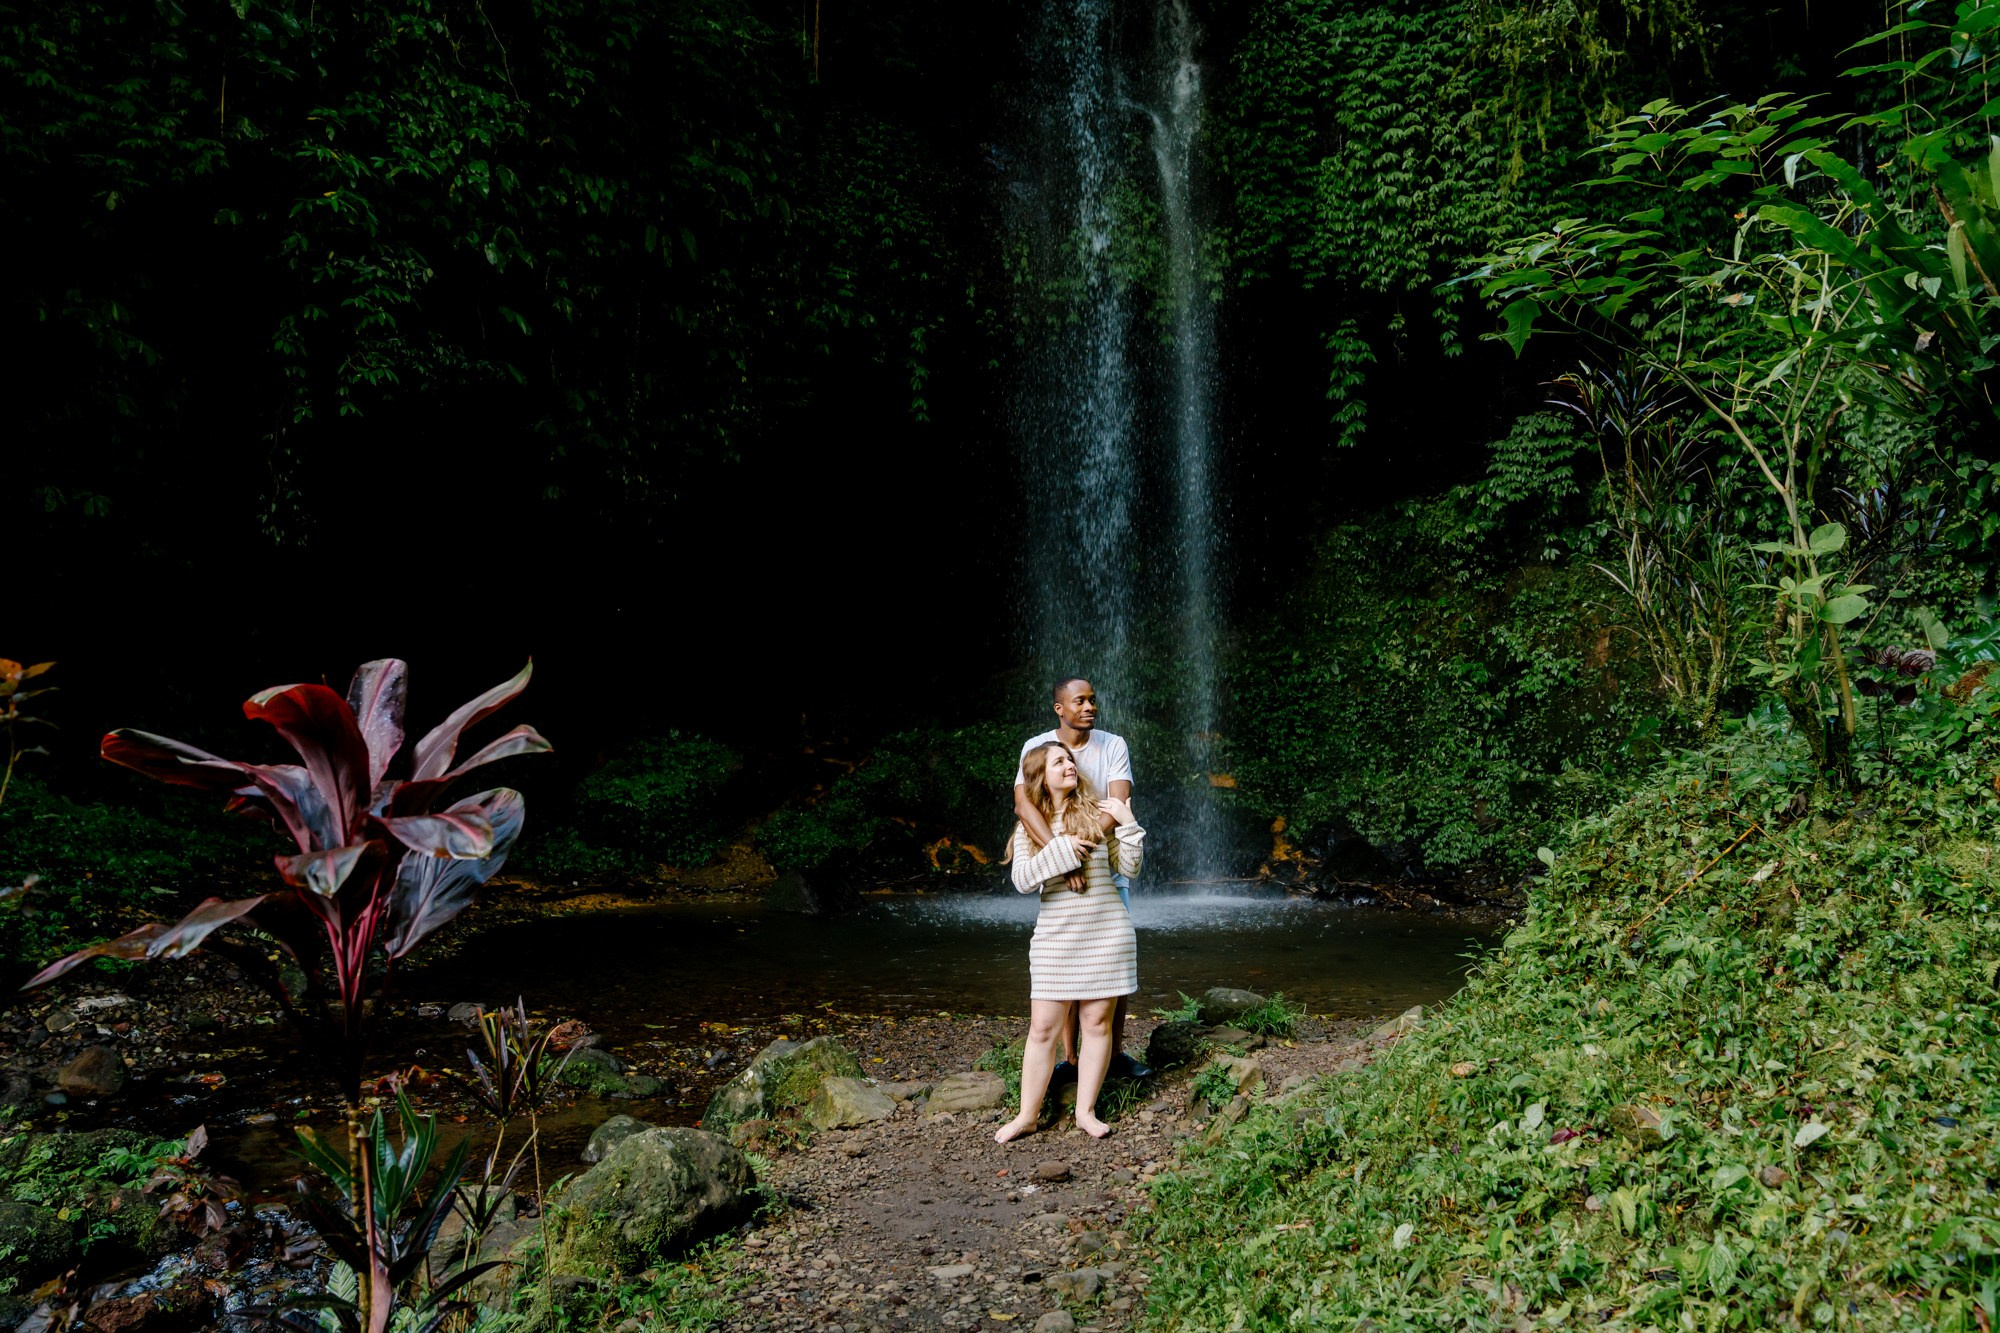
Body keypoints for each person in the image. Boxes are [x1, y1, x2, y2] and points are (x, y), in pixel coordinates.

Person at [996, 741, 1145, 1142]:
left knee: (1097, 1024)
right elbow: (1025, 881)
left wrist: (1127, 822)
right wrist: (1062, 849)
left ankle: (1086, 1112)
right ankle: (1027, 1115)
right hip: (1055, 938)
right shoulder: (1030, 826)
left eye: (1070, 760)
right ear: (1041, 776)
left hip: (1106, 932)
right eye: (1059, 761)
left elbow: (1128, 868)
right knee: (1042, 1028)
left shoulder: (1098, 814)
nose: (1069, 765)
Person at [1013, 677, 1151, 1080]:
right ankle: (1071, 1060)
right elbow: (1023, 803)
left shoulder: (1113, 744)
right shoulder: (1037, 746)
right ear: (1060, 708)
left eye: (1093, 700)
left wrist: (1082, 851)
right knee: (1066, 964)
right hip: (1061, 868)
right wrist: (1062, 857)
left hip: (1101, 863)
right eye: (1080, 701)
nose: (1090, 706)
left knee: (1112, 965)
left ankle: (1115, 1054)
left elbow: (1118, 801)